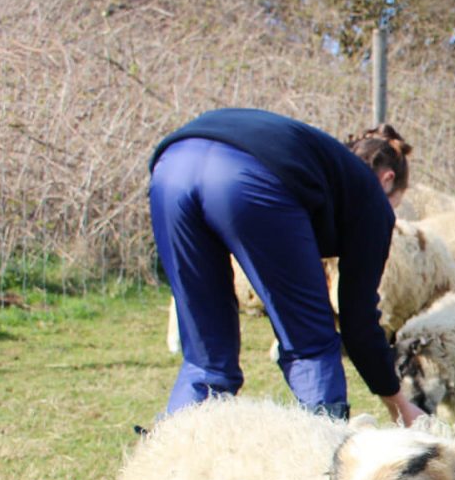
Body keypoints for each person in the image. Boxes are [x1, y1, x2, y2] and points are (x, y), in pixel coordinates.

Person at [148, 107, 426, 425]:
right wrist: (399, 404)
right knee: (311, 346)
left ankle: (167, 465)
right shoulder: (371, 201)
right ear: (388, 180)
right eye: (398, 202)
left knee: (206, 361)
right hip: (247, 176)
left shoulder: (324, 164)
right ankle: (323, 458)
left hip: (172, 166)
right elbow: (358, 322)